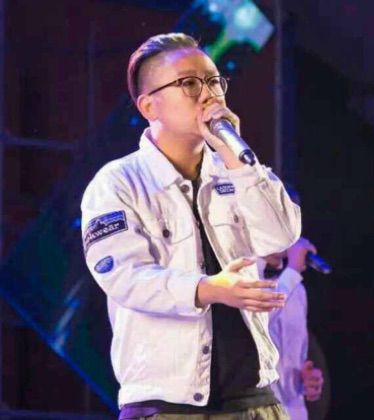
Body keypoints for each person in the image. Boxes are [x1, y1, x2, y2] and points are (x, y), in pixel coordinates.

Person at [81, 32, 301, 419]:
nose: (209, 94)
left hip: (256, 401)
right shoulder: (118, 183)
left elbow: (281, 235)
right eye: (189, 83)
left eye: (215, 81)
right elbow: (123, 276)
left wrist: (236, 160)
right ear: (149, 106)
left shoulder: (236, 169)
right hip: (167, 405)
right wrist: (208, 289)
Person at [266, 237, 324, 420]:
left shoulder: (297, 290)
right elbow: (257, 321)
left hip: (294, 413)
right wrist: (292, 271)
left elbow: (299, 354)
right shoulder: (239, 284)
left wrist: (305, 378)